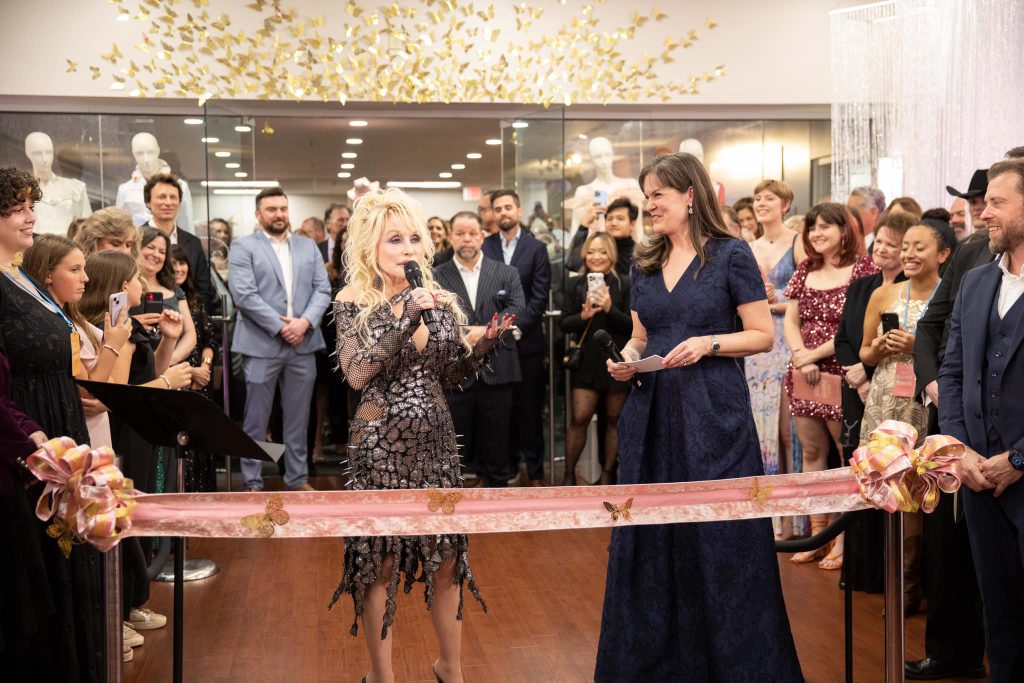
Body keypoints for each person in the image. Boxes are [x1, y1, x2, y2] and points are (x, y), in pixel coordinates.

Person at [598, 153, 801, 681]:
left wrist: (708, 343)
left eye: (658, 195)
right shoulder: (641, 263)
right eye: (646, 197)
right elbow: (640, 337)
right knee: (652, 537)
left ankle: (736, 663)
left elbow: (762, 334)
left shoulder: (730, 255)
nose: (649, 205)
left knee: (721, 539)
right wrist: (624, 361)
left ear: (690, 195)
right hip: (652, 414)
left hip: (715, 415)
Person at [329, 188, 512, 683]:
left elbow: (447, 375)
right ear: (371, 246)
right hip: (379, 447)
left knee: (448, 560)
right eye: (395, 239)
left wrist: (483, 347)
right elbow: (357, 372)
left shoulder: (441, 298)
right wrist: (405, 316)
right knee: (379, 564)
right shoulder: (352, 302)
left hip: (434, 444)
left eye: (414, 237)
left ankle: (450, 670)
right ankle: (382, 676)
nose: (408, 248)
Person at [0, 164, 104, 680]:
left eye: (29, 206)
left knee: (69, 557)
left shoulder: (20, 277)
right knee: (39, 569)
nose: (30, 216)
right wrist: (31, 438)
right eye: (16, 208)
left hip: (59, 419)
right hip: (28, 433)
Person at [938, 159, 1024, 683]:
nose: (983, 213)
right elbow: (951, 372)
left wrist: (1018, 459)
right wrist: (958, 449)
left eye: (996, 202)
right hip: (976, 476)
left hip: (1018, 467)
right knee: (1000, 610)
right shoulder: (973, 282)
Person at [784, 202, 877, 570]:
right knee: (810, 453)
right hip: (803, 373)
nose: (816, 233)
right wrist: (798, 353)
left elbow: (856, 325)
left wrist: (814, 355)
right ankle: (815, 534)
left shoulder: (862, 269)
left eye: (825, 226)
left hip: (843, 369)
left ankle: (840, 539)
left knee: (844, 456)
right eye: (812, 227)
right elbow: (792, 319)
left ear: (844, 230)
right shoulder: (804, 269)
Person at [229, 186, 331, 492]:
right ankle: (251, 480)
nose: (279, 214)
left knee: (298, 419)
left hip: (303, 343)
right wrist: (280, 326)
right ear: (259, 215)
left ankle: (297, 478)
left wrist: (304, 323)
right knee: (256, 420)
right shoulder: (243, 246)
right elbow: (244, 295)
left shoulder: (307, 247)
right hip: (261, 344)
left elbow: (323, 290)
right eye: (272, 209)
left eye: (283, 208)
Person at [834, 211, 914, 594]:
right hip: (854, 386)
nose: (881, 248)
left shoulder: (907, 289)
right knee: (858, 467)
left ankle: (893, 576)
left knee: (893, 473)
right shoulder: (863, 284)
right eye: (878, 241)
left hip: (890, 388)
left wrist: (869, 376)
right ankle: (859, 569)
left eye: (891, 244)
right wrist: (855, 373)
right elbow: (842, 337)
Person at [434, 210, 524, 488]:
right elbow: (434, 316)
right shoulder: (436, 275)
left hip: (499, 370)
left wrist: (486, 332)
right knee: (454, 446)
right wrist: (464, 335)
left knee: (498, 448)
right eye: (460, 233)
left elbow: (518, 309)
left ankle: (498, 511)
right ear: (451, 237)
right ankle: (452, 509)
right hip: (455, 372)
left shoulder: (506, 272)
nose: (467, 239)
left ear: (482, 237)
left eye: (472, 233)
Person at [21, 234, 132, 450]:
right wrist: (113, 345)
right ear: (47, 274)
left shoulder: (72, 320)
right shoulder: (52, 328)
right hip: (71, 432)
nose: (86, 278)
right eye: (75, 270)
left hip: (93, 428)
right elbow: (89, 390)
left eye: (84, 269)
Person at [745, 179, 804, 538]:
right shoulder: (747, 248)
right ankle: (765, 516)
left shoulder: (798, 243)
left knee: (788, 433)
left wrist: (775, 299)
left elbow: (804, 297)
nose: (761, 203)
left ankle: (793, 517)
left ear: (786, 204)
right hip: (757, 348)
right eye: (757, 198)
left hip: (789, 339)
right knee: (760, 430)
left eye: (769, 198)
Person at [482, 189, 551, 486]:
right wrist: (495, 329)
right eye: (498, 209)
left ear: (519, 211)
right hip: (493, 343)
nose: (503, 213)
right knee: (500, 412)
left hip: (527, 342)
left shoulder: (536, 248)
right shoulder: (484, 246)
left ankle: (535, 472)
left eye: (508, 207)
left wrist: (514, 326)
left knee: (530, 410)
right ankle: (504, 469)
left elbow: (539, 296)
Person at [559, 232, 631, 485]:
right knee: (579, 420)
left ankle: (608, 476)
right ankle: (569, 476)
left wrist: (611, 308)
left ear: (611, 254)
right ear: (584, 254)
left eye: (602, 251)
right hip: (586, 364)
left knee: (614, 421)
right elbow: (563, 324)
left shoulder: (625, 284)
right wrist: (584, 316)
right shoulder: (575, 285)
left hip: (617, 362)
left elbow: (633, 327)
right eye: (591, 251)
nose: (597, 257)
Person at [171, 245, 219, 491]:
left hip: (201, 381)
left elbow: (210, 340)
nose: (179, 268)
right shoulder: (164, 300)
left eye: (182, 263)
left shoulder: (196, 299)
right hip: (175, 381)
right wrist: (191, 372)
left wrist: (205, 368)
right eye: (174, 263)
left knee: (202, 442)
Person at [143, 172, 214, 311]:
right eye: (162, 197)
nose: (168, 202)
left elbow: (204, 289)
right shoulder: (136, 238)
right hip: (146, 319)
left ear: (180, 203)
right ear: (148, 202)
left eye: (173, 197)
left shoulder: (193, 242)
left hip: (187, 320)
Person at [138, 227, 197, 364]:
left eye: (162, 252)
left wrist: (168, 360)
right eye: (150, 247)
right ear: (137, 248)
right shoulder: (126, 286)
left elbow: (190, 334)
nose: (156, 254)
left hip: (171, 369)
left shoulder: (174, 289)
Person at [565, 197, 637, 276]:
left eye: (620, 219)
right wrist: (583, 226)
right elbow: (572, 264)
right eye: (609, 219)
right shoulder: (597, 247)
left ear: (632, 224)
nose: (614, 223)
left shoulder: (639, 253)